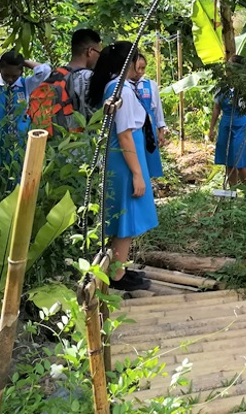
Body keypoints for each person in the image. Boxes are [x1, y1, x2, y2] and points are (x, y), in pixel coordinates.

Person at [87, 41, 157, 292]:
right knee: (127, 215)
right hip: (126, 156)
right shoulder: (122, 90)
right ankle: (117, 275)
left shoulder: (115, 86)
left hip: (122, 155)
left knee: (124, 215)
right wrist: (137, 174)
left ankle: (118, 267)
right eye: (137, 58)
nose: (140, 64)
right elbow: (125, 134)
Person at [0, 51, 52, 170]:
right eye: (6, 75)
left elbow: (45, 71)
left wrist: (23, 62)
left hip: (20, 141)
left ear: (21, 72)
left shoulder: (26, 85)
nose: (10, 79)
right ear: (0, 69)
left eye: (14, 76)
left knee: (17, 172)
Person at [208, 55, 246, 191]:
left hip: (241, 124)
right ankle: (232, 192)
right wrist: (211, 128)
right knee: (228, 160)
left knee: (241, 161)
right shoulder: (222, 86)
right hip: (226, 123)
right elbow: (216, 108)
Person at [133, 53, 167, 179]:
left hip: (149, 126)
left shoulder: (150, 85)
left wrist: (161, 130)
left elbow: (158, 109)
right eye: (138, 68)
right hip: (134, 126)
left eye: (143, 68)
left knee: (149, 156)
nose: (140, 72)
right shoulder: (125, 86)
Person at [66, 28, 103, 122]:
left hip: (57, 134)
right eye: (99, 53)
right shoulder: (92, 77)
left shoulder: (56, 74)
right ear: (90, 51)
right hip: (83, 135)